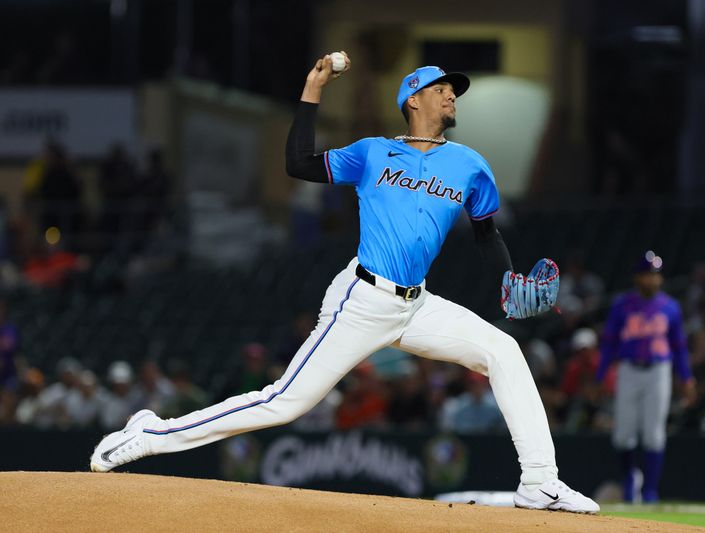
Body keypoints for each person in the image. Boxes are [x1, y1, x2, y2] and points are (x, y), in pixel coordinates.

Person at [90, 54, 599, 514]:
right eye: (442, 87)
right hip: (362, 299)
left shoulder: (469, 164)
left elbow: (486, 235)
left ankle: (540, 483)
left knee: (503, 351)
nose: (451, 94)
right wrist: (312, 91)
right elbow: (297, 164)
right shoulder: (373, 152)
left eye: (454, 89)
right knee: (283, 402)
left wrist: (509, 279)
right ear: (414, 98)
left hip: (416, 305)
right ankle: (152, 434)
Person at [597, 251, 696, 503]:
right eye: (648, 274)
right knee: (623, 435)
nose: (652, 280)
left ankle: (650, 490)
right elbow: (608, 343)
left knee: (654, 434)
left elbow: (679, 346)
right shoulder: (622, 305)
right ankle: (629, 479)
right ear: (638, 277)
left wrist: (686, 377)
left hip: (658, 371)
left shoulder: (670, 307)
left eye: (656, 275)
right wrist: (600, 375)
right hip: (628, 369)